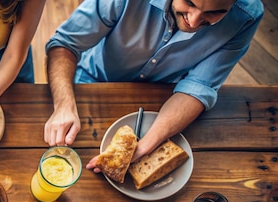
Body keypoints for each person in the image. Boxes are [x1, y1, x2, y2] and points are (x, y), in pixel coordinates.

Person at [43, 0, 263, 171]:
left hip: (162, 104)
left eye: (214, 13)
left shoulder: (247, 16)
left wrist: (143, 148)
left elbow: (198, 88)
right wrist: (63, 105)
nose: (194, 22)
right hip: (90, 81)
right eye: (190, 3)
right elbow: (65, 43)